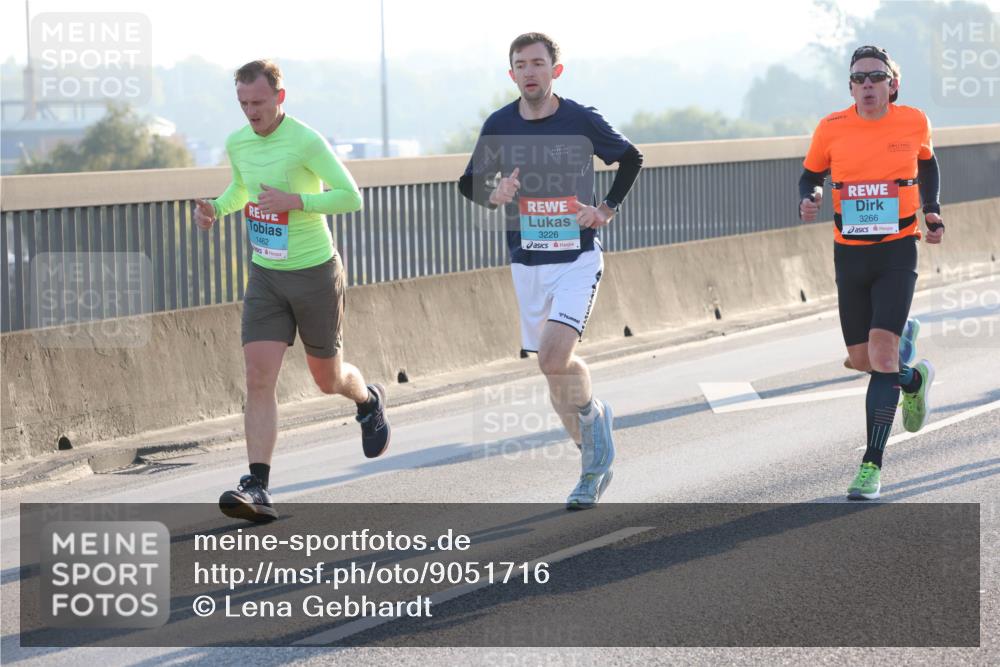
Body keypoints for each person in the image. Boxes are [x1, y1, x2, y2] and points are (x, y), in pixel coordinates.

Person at [194, 60, 390, 522]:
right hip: (266, 274)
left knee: (328, 379)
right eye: (243, 104)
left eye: (258, 103)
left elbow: (350, 196)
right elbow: (243, 188)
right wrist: (216, 210)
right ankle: (257, 486)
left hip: (315, 273)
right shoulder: (238, 142)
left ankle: (367, 400)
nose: (250, 113)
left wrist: (297, 201)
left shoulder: (305, 140)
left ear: (280, 98)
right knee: (258, 376)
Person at [458, 33, 643, 509]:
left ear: (555, 70)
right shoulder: (499, 125)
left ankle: (592, 438)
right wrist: (492, 193)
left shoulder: (580, 119)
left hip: (577, 259)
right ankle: (592, 449)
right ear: (512, 74)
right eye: (521, 65)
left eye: (538, 63)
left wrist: (606, 209)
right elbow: (469, 183)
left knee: (553, 359)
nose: (530, 72)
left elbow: (630, 158)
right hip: (527, 261)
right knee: (552, 373)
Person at [799, 46, 943, 500]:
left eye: (875, 77)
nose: (866, 85)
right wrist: (812, 196)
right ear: (851, 87)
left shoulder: (913, 120)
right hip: (850, 254)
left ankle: (870, 466)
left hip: (898, 248)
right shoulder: (831, 127)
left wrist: (932, 211)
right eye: (858, 78)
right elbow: (810, 175)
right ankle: (914, 377)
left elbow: (927, 163)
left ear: (891, 85)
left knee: (880, 361)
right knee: (864, 361)